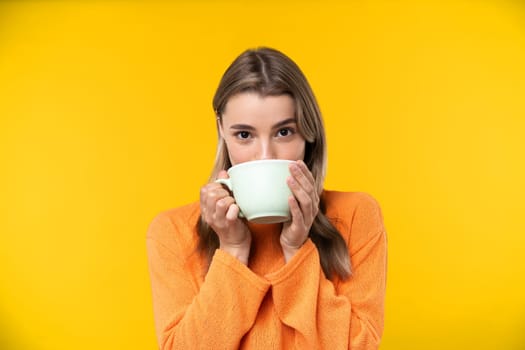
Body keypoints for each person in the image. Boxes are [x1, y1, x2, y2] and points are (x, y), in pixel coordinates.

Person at [146, 47, 387, 349]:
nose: (265, 155)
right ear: (221, 129)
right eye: (244, 135)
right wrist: (233, 250)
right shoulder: (172, 232)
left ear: (308, 134)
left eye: (284, 132)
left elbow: (360, 346)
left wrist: (297, 251)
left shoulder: (355, 216)